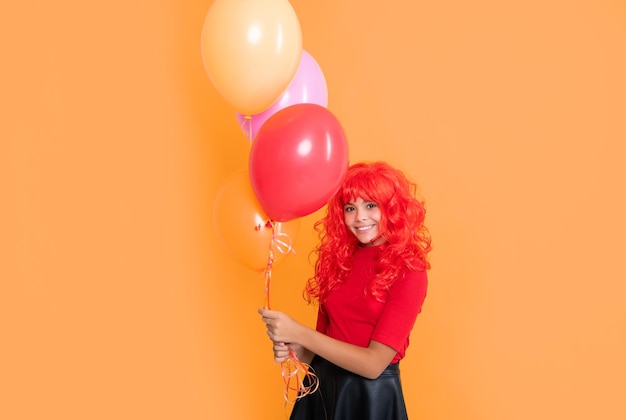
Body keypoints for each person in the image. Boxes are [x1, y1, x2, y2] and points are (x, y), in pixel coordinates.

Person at [259, 161, 431, 420]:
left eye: (370, 205)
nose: (360, 216)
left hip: (370, 399)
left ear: (392, 209)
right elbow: (322, 350)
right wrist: (295, 346)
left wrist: (300, 333)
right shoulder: (338, 262)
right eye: (350, 208)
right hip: (321, 392)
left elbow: (373, 365)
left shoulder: (409, 269)